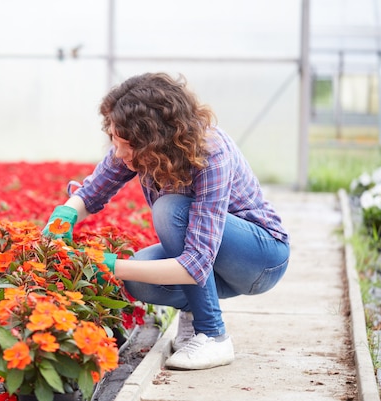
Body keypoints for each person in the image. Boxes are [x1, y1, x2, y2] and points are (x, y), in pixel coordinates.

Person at [42, 72, 290, 370]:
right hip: (213, 258)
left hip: (260, 259)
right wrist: (66, 215)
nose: (119, 153)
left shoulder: (210, 152)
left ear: (156, 138)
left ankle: (213, 335)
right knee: (137, 277)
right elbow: (94, 191)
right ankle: (193, 313)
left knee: (170, 210)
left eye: (127, 144)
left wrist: (105, 265)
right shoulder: (136, 148)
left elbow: (197, 262)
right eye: (113, 139)